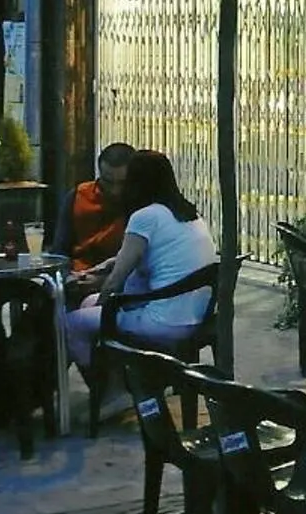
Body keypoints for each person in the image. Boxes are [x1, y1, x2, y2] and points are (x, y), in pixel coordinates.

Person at [63, 149, 216, 375]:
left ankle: (103, 384)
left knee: (72, 323)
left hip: (164, 321)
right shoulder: (187, 213)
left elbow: (115, 281)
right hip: (196, 314)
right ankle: (120, 378)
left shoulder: (145, 217)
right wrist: (95, 272)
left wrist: (102, 305)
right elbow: (124, 258)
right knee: (88, 304)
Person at [49, 140, 133, 295]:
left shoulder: (142, 205)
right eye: (108, 182)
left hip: (120, 283)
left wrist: (103, 281)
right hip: (77, 277)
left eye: (122, 183)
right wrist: (68, 278)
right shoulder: (78, 196)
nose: (115, 190)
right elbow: (59, 250)